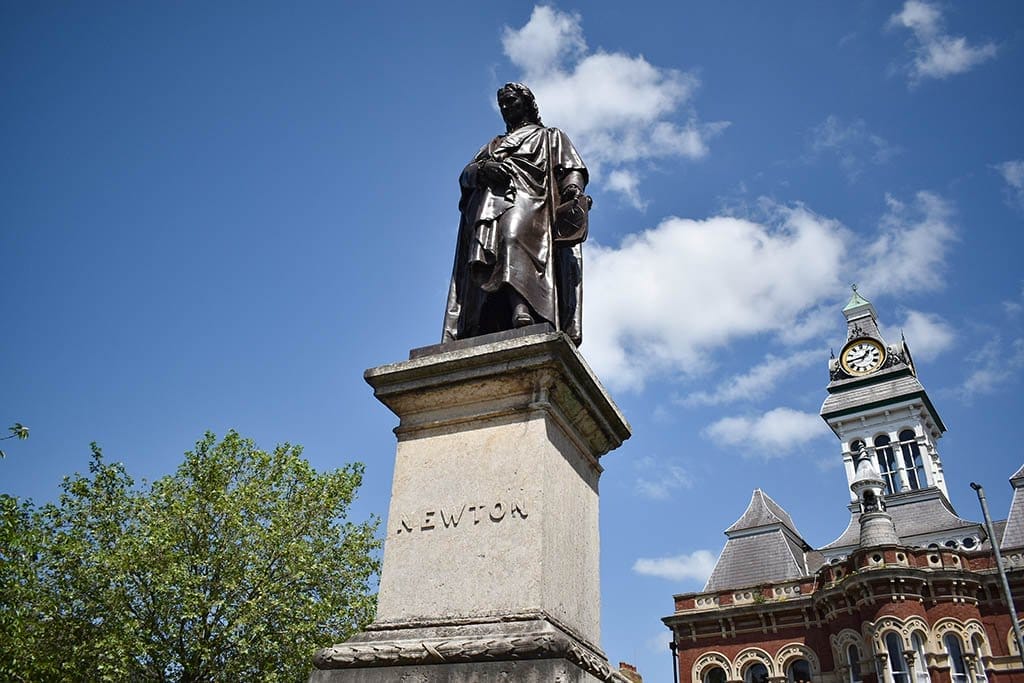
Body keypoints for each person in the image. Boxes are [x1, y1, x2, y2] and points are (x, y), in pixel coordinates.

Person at [442, 82, 589, 346]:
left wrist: (573, 189)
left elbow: (571, 168)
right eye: (502, 104)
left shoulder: (550, 136)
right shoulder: (492, 145)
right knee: (487, 253)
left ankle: (523, 308)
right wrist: (483, 169)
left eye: (512, 101)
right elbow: (466, 175)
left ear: (527, 103)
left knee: (511, 239)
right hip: (488, 204)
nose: (507, 107)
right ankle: (486, 319)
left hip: (531, 200)